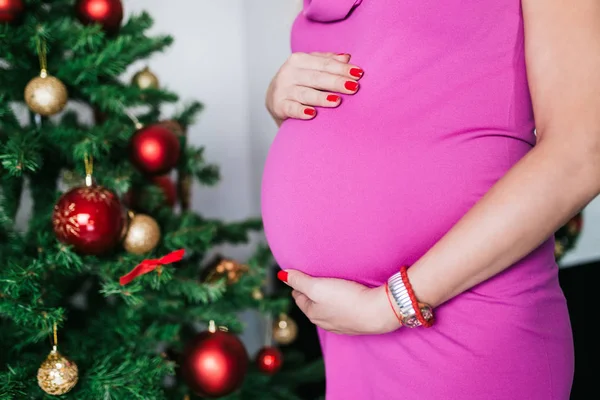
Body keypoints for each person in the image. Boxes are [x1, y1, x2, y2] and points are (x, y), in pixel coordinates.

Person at [261, 1, 598, 399]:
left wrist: (391, 306)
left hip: (464, 318)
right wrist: (283, 98)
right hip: (347, 326)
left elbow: (582, 153)